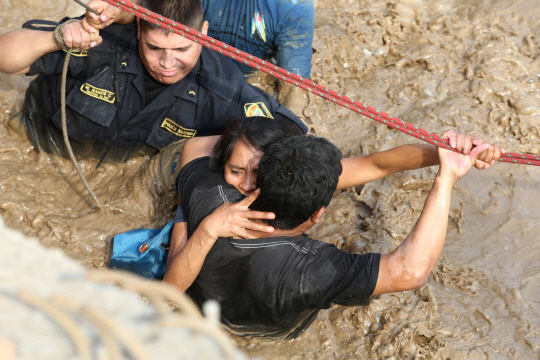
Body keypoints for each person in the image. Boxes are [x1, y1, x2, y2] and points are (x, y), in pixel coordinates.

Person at [171, 132, 496, 339]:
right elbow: (410, 271)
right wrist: (445, 178)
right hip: (267, 332)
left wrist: (442, 153)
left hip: (197, 309)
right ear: (318, 214)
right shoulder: (312, 270)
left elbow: (196, 145)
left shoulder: (207, 193)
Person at [0, 0, 306, 163]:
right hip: (36, 139)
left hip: (118, 168)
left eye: (182, 49)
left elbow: (288, 129)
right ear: (138, 32)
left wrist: (222, 148)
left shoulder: (223, 89)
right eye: (155, 48)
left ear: (204, 33)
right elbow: (6, 59)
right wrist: (56, 38)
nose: (168, 64)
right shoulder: (101, 44)